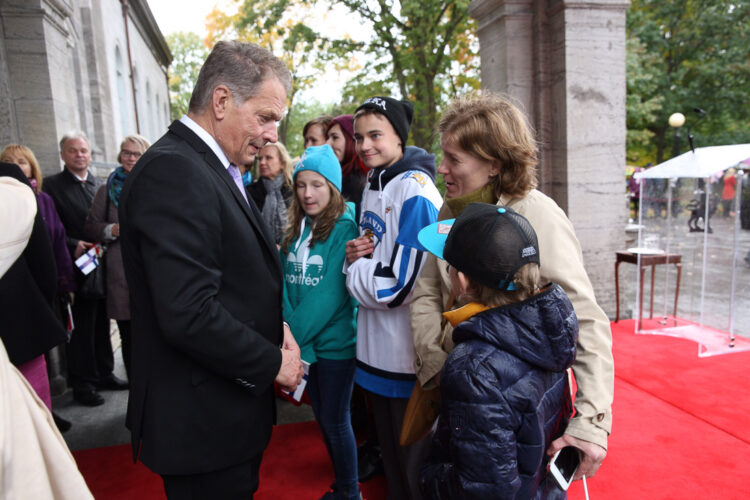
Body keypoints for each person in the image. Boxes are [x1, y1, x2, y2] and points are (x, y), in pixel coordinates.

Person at [118, 40, 304, 499]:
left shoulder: (208, 165)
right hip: (203, 423)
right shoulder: (176, 171)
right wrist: (272, 364)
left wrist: (273, 326)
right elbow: (188, 312)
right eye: (265, 118)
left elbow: (226, 276)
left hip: (221, 414)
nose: (271, 136)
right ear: (221, 101)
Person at [410, 92, 613, 483]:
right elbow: (426, 291)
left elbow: (583, 320)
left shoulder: (539, 215)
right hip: (460, 396)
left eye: (454, 159)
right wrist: (437, 367)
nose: (442, 170)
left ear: (494, 164)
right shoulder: (449, 208)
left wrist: (591, 423)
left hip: (518, 413)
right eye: (443, 156)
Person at [417, 203, 578, 499]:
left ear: (463, 280)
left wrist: (430, 478)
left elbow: (483, 489)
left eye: (449, 266)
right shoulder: (550, 330)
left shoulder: (473, 369)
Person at [344, 96, 443, 500]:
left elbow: (400, 286)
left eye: (375, 135)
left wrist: (352, 271)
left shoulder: (415, 190)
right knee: (391, 468)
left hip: (406, 357)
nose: (365, 145)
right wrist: (358, 260)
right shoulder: (373, 182)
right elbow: (373, 257)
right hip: (373, 354)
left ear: (399, 138)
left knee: (414, 469)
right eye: (358, 137)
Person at [0, 174, 94, 500]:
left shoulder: (16, 192)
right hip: (17, 323)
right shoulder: (14, 196)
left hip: (20, 328)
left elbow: (45, 263)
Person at [280, 144, 361, 500]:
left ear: (332, 187)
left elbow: (331, 294)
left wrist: (289, 338)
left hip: (333, 346)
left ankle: (349, 491)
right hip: (302, 345)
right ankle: (341, 486)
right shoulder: (297, 225)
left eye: (317, 185)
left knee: (336, 420)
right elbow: (284, 282)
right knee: (323, 421)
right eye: (301, 185)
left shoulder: (345, 228)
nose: (308, 193)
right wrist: (285, 332)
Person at [43, 131, 128, 407]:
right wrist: (71, 243)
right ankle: (82, 382)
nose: (79, 155)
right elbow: (50, 229)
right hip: (74, 265)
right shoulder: (52, 187)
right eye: (73, 150)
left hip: (101, 263)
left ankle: (105, 373)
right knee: (82, 326)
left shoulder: (99, 184)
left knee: (103, 322)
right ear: (62, 155)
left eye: (84, 150)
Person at [0, 163, 68, 410]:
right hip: (17, 322)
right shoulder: (9, 179)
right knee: (30, 421)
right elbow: (42, 260)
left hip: (17, 326)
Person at [83, 135, 151, 380]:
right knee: (129, 337)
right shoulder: (106, 188)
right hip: (120, 273)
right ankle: (136, 400)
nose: (130, 158)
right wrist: (112, 229)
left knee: (153, 339)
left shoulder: (155, 185)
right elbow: (90, 227)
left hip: (152, 271)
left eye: (136, 154)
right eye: (126, 153)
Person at [0, 144, 75, 296]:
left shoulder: (44, 199)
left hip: (42, 275)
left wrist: (65, 282)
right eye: (8, 161)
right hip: (10, 278)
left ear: (32, 167)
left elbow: (58, 240)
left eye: (21, 162)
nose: (15, 166)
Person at [248, 141, 294, 245]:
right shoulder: (249, 193)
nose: (262, 162)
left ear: (282, 163)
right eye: (260, 159)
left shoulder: (294, 192)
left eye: (268, 158)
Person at [326, 115, 369, 218]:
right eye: (327, 138)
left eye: (335, 137)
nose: (327, 144)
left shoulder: (355, 183)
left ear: (351, 140)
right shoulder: (339, 177)